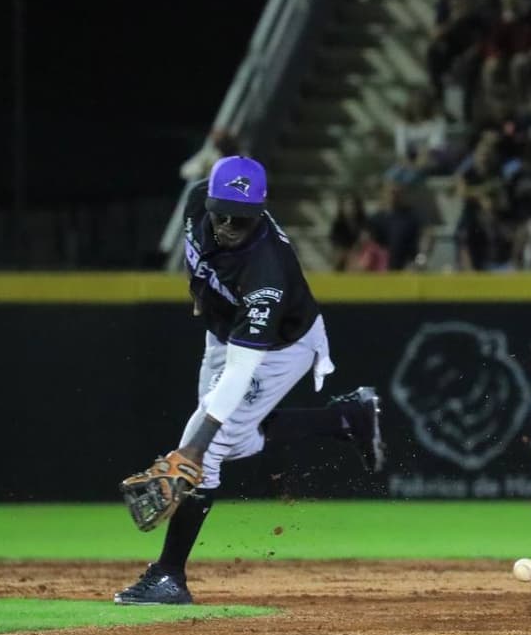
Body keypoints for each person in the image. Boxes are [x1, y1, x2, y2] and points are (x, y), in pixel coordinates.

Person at [114, 156, 384, 605]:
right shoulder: (197, 199)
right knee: (233, 439)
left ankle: (169, 576)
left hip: (279, 348)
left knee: (209, 445)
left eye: (240, 219)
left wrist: (195, 449)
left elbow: (241, 372)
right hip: (223, 331)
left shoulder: (266, 274)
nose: (227, 226)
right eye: (221, 214)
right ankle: (347, 418)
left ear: (260, 213)